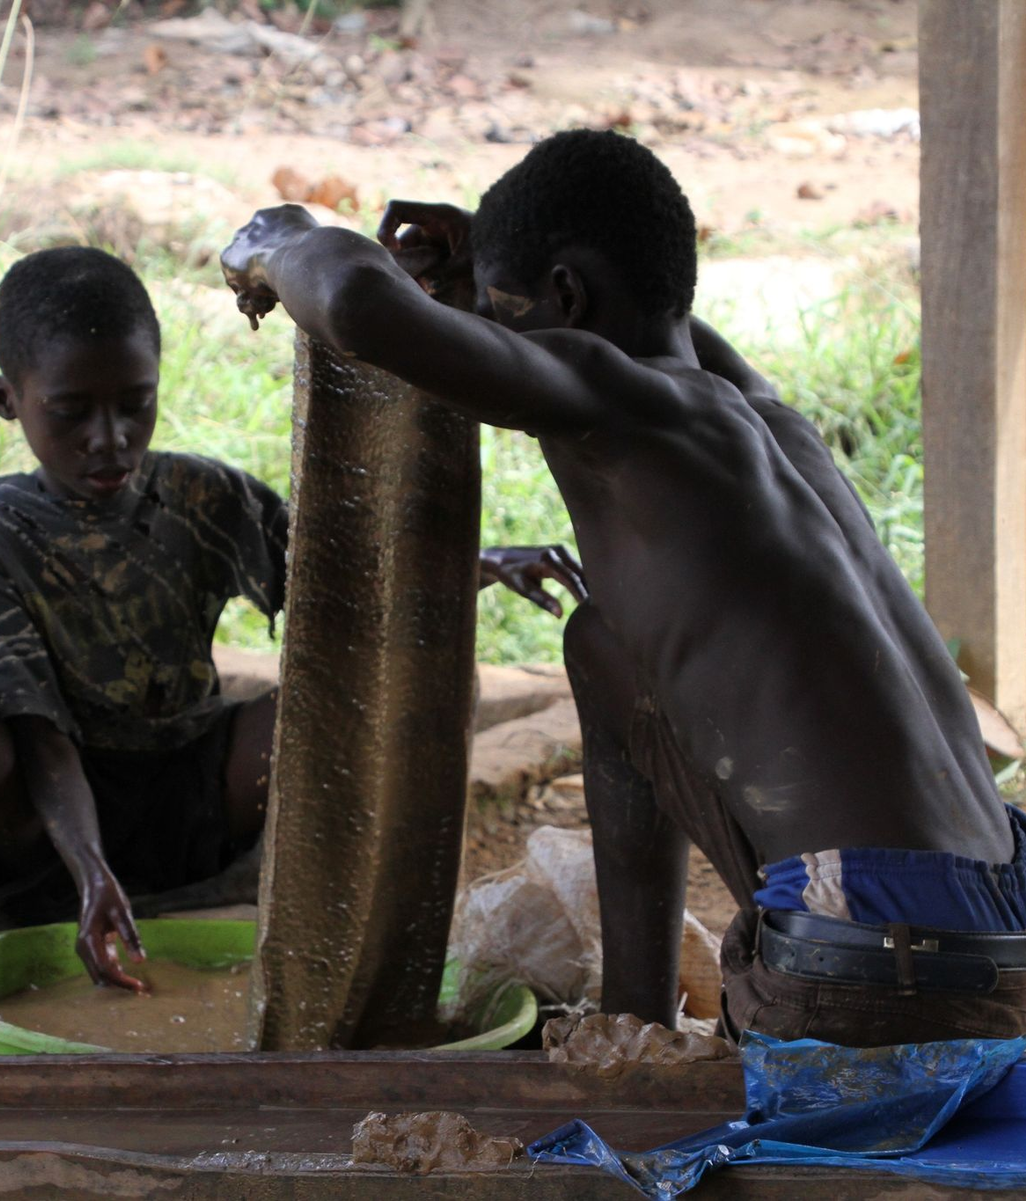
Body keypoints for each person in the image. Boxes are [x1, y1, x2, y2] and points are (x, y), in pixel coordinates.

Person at [221, 129, 1026, 1047]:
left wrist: (280, 236)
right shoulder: (764, 416)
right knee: (604, 641)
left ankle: (646, 1025)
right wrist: (491, 253)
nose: (487, 332)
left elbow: (360, 304)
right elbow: (649, 315)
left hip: (878, 970)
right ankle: (635, 1016)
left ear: (566, 299)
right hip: (1003, 919)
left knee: (604, 640)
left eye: (501, 313)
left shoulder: (628, 403)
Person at [0, 246, 585, 1051]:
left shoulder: (203, 496)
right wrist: (91, 871)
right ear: (7, 401)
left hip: (189, 801)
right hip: (40, 825)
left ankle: (359, 950)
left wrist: (470, 564)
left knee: (404, 676)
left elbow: (345, 593)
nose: (109, 438)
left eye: (135, 404)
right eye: (71, 412)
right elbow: (39, 740)